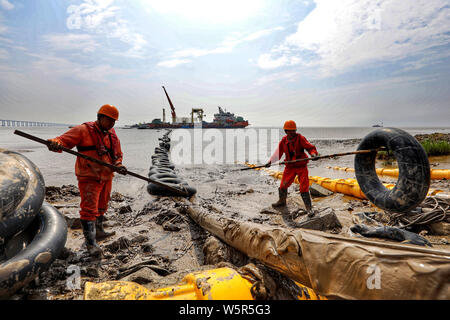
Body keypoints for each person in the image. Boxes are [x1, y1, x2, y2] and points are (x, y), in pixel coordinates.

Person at [47, 104, 127, 256]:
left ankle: (99, 230)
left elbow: (117, 154)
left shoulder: (112, 134)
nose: (111, 123)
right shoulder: (83, 130)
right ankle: (91, 244)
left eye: (114, 121)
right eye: (109, 120)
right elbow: (62, 141)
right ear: (100, 117)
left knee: (102, 205)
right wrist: (54, 143)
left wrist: (119, 165)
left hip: (107, 175)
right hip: (89, 176)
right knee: (89, 210)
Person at [265, 120, 318, 217]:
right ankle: (282, 201)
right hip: (290, 167)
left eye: (293, 131)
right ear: (286, 131)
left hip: (301, 166)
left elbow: (310, 148)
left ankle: (309, 208)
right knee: (283, 185)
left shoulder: (300, 138)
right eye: (290, 131)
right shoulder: (283, 141)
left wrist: (313, 154)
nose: (292, 133)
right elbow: (278, 154)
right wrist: (270, 162)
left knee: (304, 187)